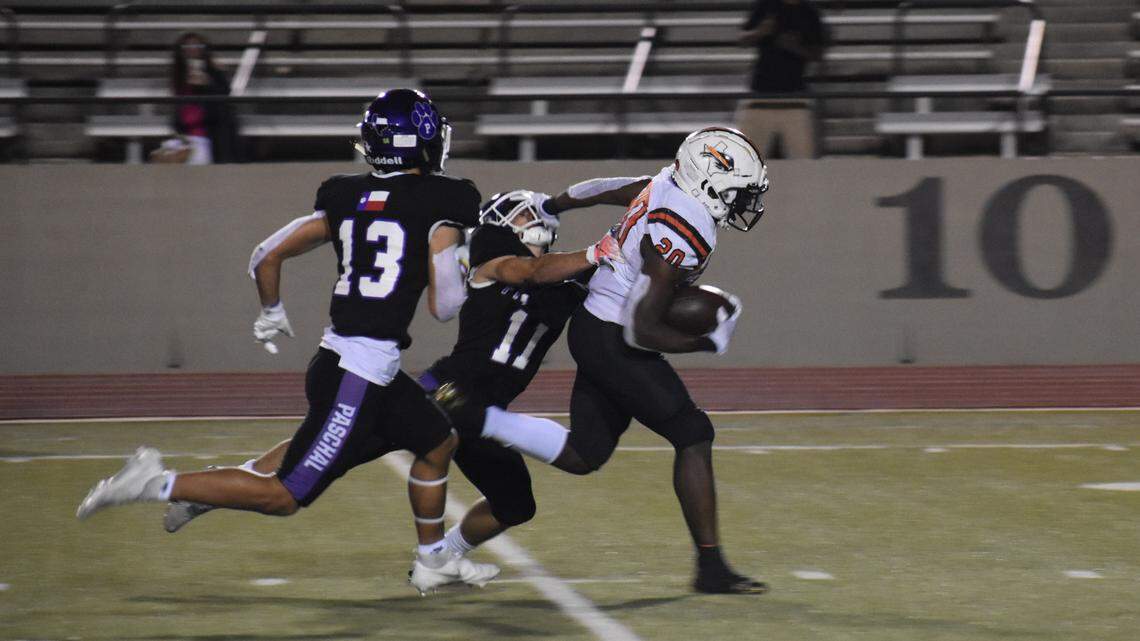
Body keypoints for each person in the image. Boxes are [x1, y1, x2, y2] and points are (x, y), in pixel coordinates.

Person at [77, 89, 511, 595]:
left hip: (358, 363)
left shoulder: (347, 193)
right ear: (420, 142)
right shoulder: (447, 200)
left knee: (437, 439)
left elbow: (265, 255)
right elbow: (445, 307)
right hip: (359, 373)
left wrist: (272, 312)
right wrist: (471, 269)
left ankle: (434, 559)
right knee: (284, 496)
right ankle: (154, 482)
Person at [162, 190, 624, 591]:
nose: (537, 222)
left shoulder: (560, 277)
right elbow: (530, 272)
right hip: (446, 394)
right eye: (525, 215)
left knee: (515, 505)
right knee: (338, 446)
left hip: (483, 410)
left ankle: (448, 555)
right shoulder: (492, 257)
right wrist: (598, 250)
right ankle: (215, 486)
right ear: (503, 220)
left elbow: (578, 276)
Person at [437, 127, 772, 594]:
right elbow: (643, 328)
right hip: (615, 336)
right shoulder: (685, 227)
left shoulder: (670, 184)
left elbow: (608, 188)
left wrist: (557, 203)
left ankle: (450, 536)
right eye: (739, 192)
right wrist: (707, 342)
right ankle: (710, 569)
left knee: (584, 455)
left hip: (598, 327)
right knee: (693, 433)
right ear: (711, 181)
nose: (743, 205)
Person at [736, 0, 826, 158]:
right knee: (743, 161)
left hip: (795, 100)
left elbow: (818, 54)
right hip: (760, 96)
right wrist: (760, 31)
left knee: (804, 162)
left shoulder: (810, 12)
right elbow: (742, 39)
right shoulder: (765, 5)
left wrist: (795, 47)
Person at [170, 32, 240, 163]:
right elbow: (180, 109)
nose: (192, 49)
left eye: (197, 45)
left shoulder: (214, 71)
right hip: (186, 133)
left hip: (209, 134)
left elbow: (225, 96)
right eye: (187, 46)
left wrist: (209, 83)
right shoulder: (179, 75)